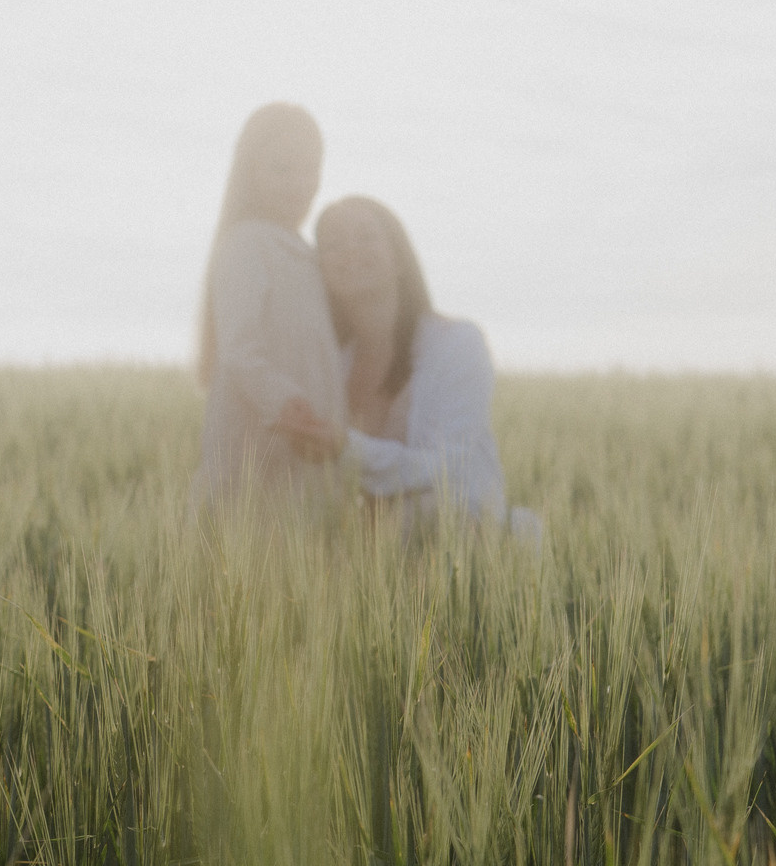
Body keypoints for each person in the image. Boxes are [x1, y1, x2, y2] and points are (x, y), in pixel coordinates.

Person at [281, 195, 535, 541]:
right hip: (364, 558)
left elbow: (444, 468)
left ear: (398, 256)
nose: (350, 249)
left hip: (464, 547)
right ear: (320, 270)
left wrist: (345, 449)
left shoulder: (456, 344)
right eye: (333, 243)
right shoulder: (329, 366)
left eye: (366, 236)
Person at [191, 103, 348, 511]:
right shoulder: (246, 244)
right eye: (281, 169)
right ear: (250, 172)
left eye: (310, 169)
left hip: (303, 450)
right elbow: (240, 350)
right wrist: (286, 402)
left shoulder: (306, 253)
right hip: (255, 448)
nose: (299, 184)